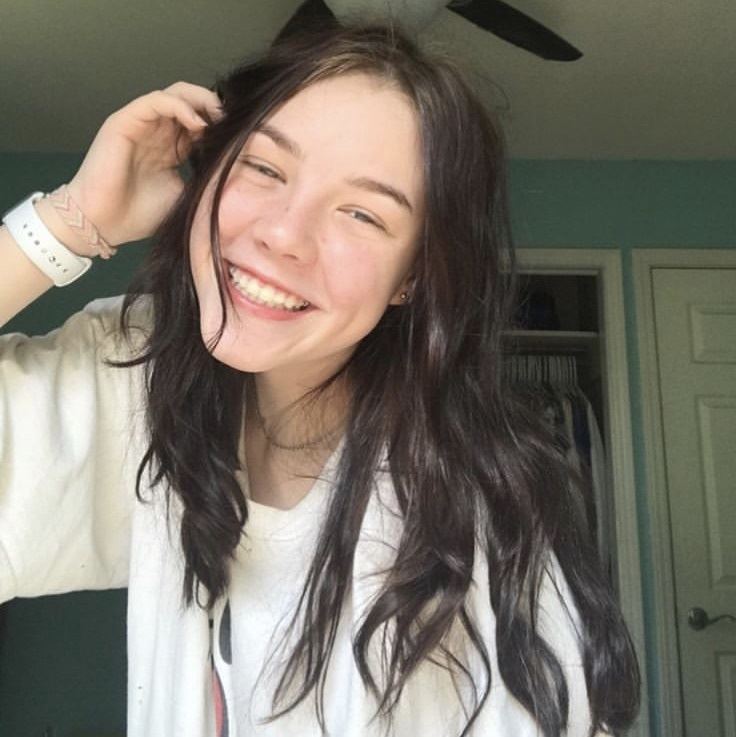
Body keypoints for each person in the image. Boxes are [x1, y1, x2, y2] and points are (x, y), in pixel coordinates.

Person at [0, 23, 639, 737]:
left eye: (362, 213)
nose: (283, 234)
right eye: (264, 168)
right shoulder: (140, 371)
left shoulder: (469, 540)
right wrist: (71, 221)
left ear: (414, 276)